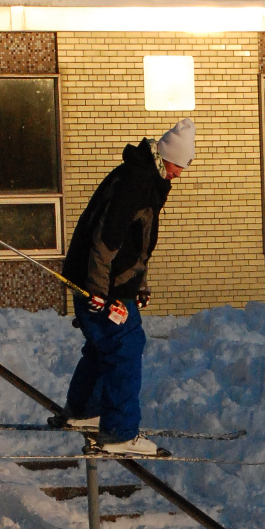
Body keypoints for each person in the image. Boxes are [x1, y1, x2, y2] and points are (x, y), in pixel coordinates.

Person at [50, 118, 195, 455]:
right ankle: (119, 431)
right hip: (101, 282)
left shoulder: (143, 176)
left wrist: (139, 284)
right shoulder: (137, 181)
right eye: (180, 165)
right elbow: (107, 238)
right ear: (168, 155)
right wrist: (99, 290)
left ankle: (85, 410)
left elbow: (136, 245)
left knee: (104, 345)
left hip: (104, 280)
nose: (179, 174)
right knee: (126, 346)